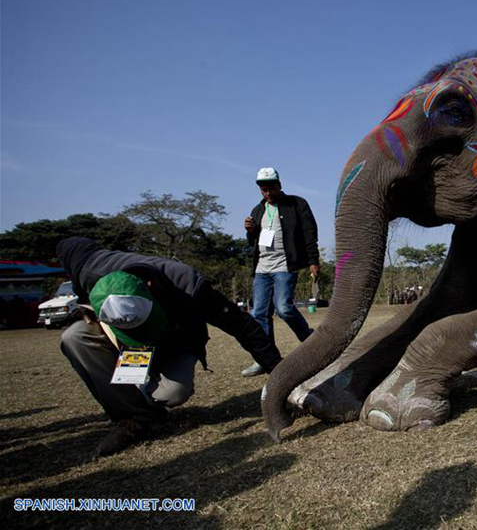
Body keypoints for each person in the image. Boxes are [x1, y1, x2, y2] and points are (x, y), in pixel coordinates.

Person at [56, 237, 282, 457]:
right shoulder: (89, 273)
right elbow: (72, 247)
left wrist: (283, 374)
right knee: (74, 336)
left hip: (177, 340)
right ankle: (133, 419)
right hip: (134, 346)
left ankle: (146, 402)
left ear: (150, 287)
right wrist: (86, 305)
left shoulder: (188, 285)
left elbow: (242, 326)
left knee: (173, 393)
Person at [242, 167, 320, 377]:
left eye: (271, 188)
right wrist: (250, 231)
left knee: (284, 307)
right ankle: (266, 360)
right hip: (262, 269)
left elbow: (309, 233)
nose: (267, 192)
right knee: (259, 314)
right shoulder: (258, 210)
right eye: (263, 189)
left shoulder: (296, 204)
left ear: (279, 185)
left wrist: (313, 261)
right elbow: (253, 242)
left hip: (285, 265)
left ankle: (310, 341)